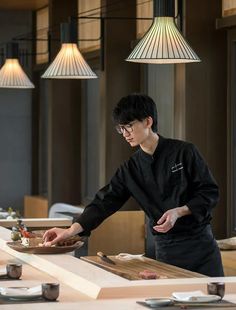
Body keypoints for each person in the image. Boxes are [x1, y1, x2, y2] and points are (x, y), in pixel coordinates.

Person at [43, 93, 224, 277]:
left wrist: (179, 211)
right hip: (168, 251)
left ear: (148, 121)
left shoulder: (184, 152)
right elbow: (103, 202)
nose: (125, 134)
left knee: (216, 303)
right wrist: (70, 231)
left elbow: (210, 193)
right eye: (121, 128)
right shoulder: (130, 169)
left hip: (202, 247)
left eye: (129, 126)